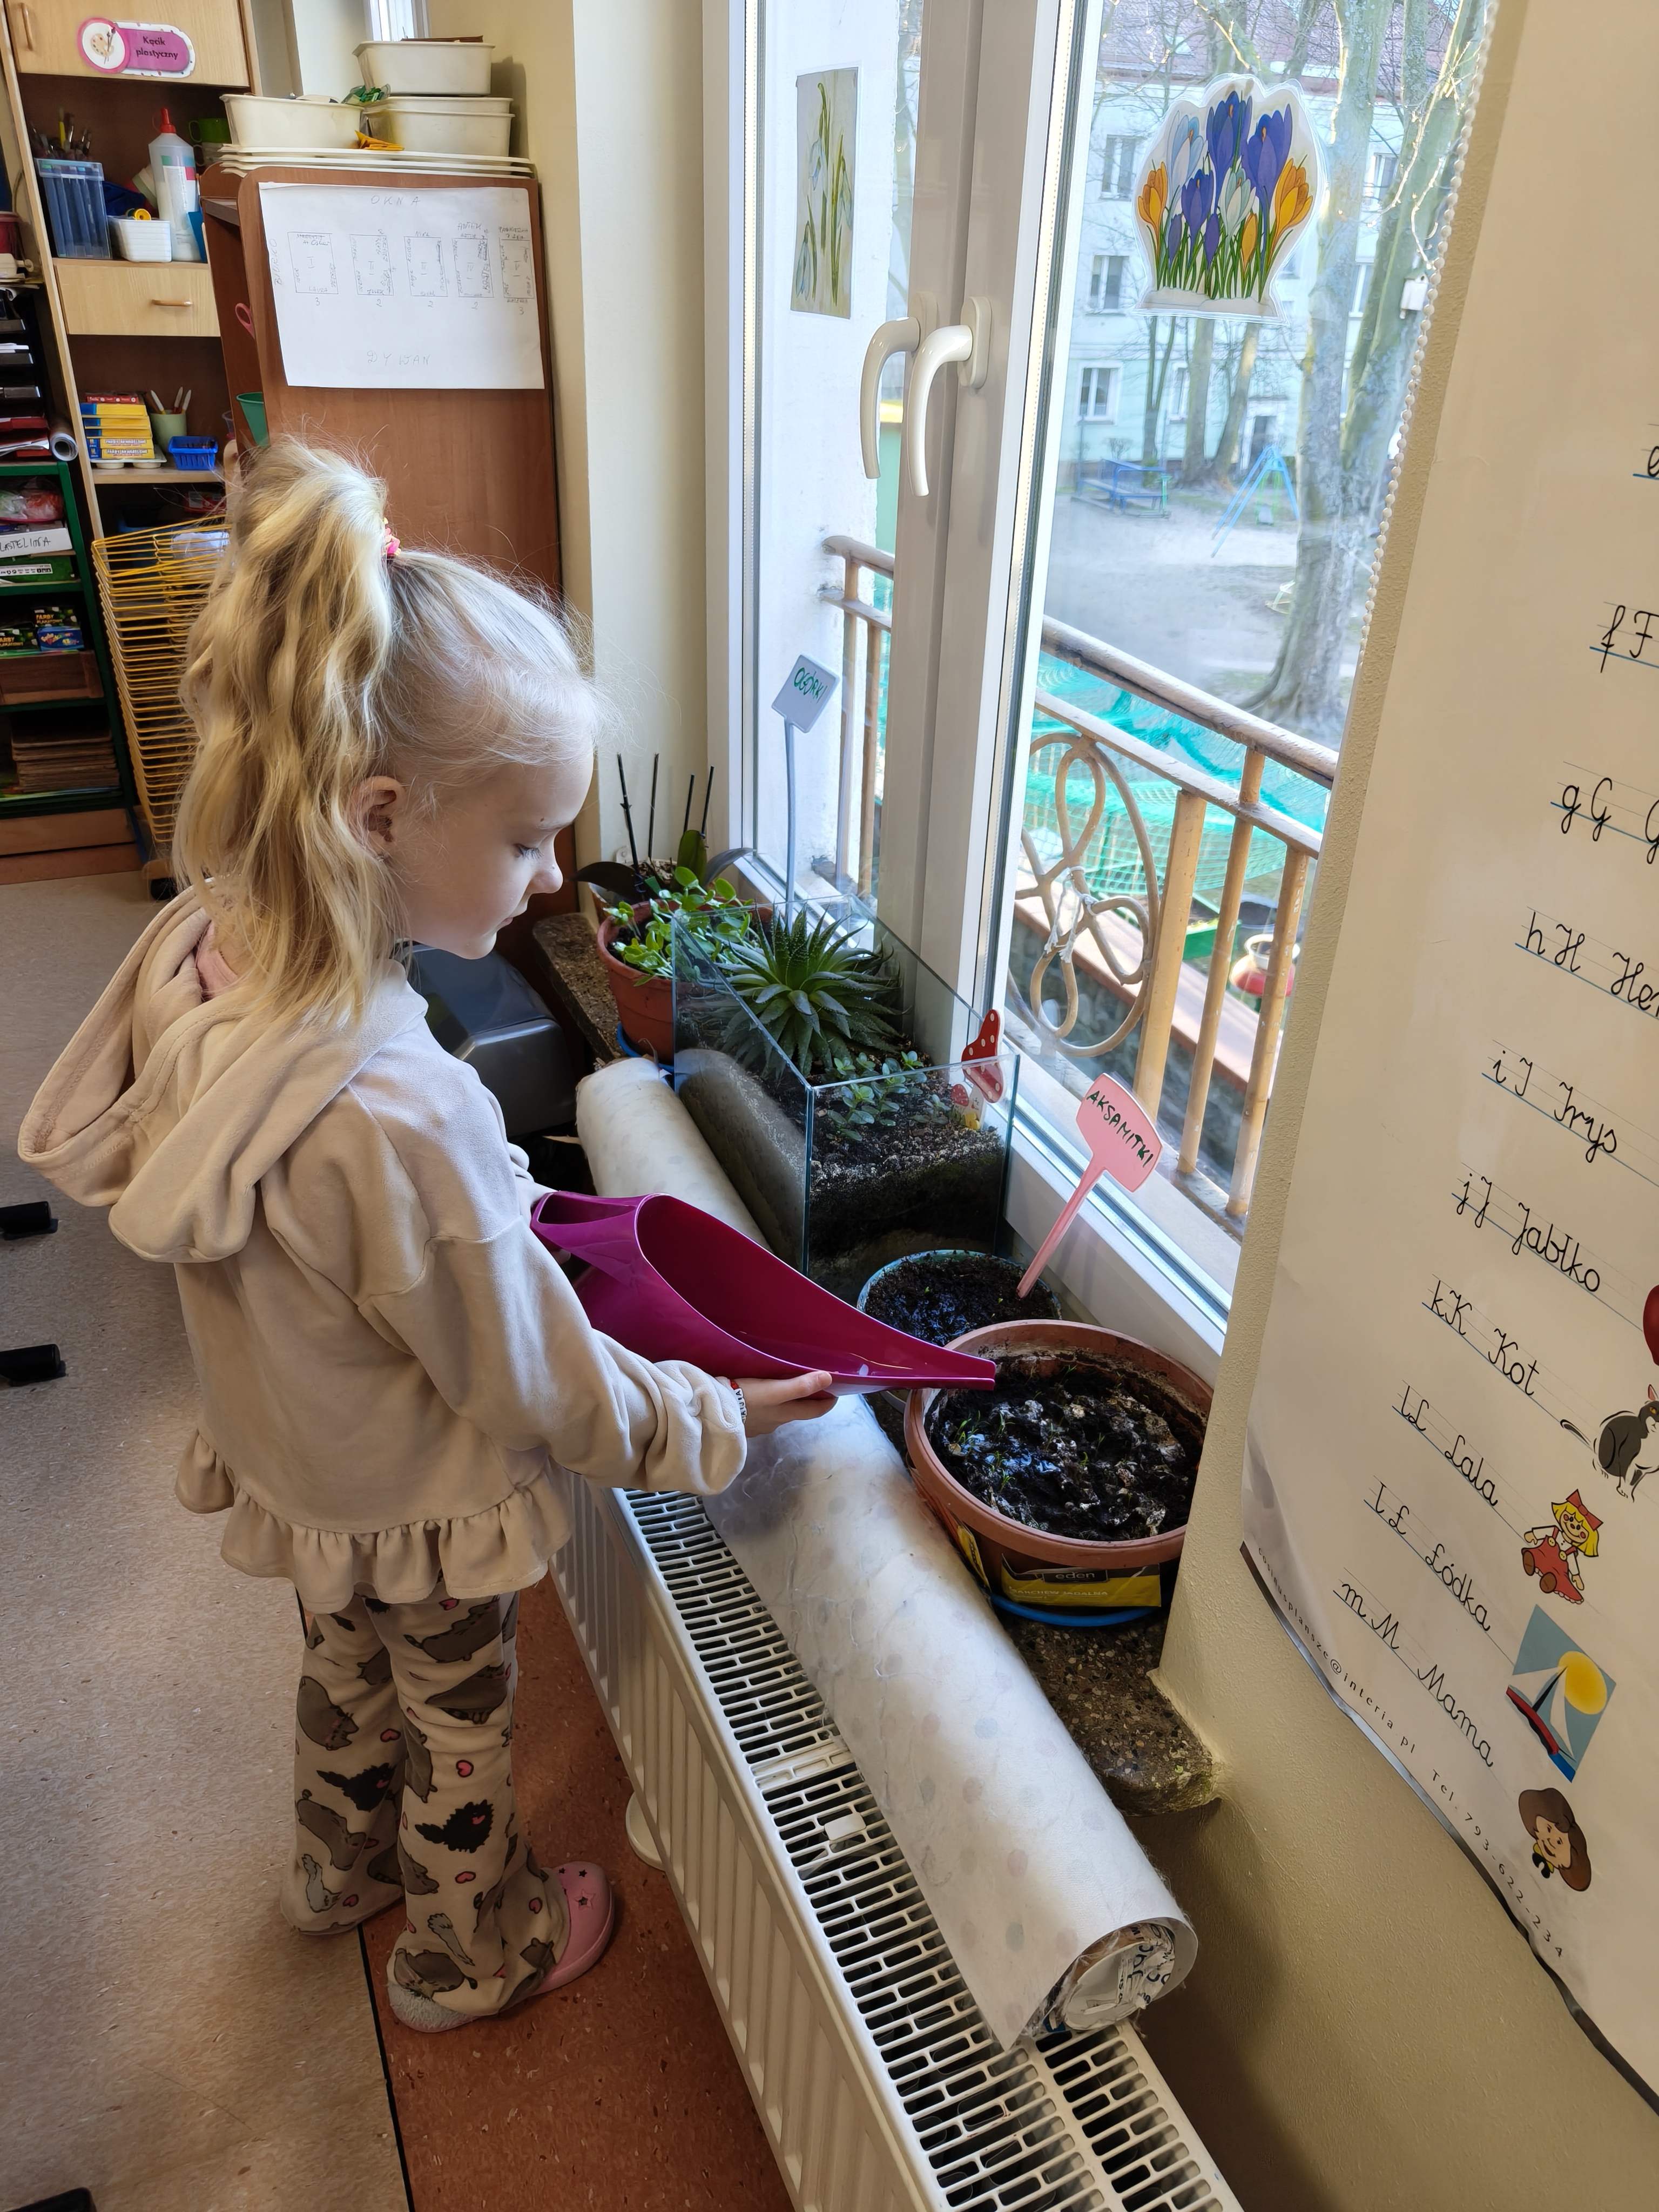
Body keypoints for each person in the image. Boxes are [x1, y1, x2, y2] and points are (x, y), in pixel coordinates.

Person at [20, 442, 834, 2034]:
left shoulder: (208, 952)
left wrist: (498, 1214)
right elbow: (534, 1386)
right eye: (527, 840)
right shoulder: (406, 1110)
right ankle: (473, 1951)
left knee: (344, 1672)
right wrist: (709, 1415)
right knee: (460, 1722)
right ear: (380, 815)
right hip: (418, 1495)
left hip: (298, 1458)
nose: (551, 881)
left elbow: (355, 1247)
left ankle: (335, 1871)